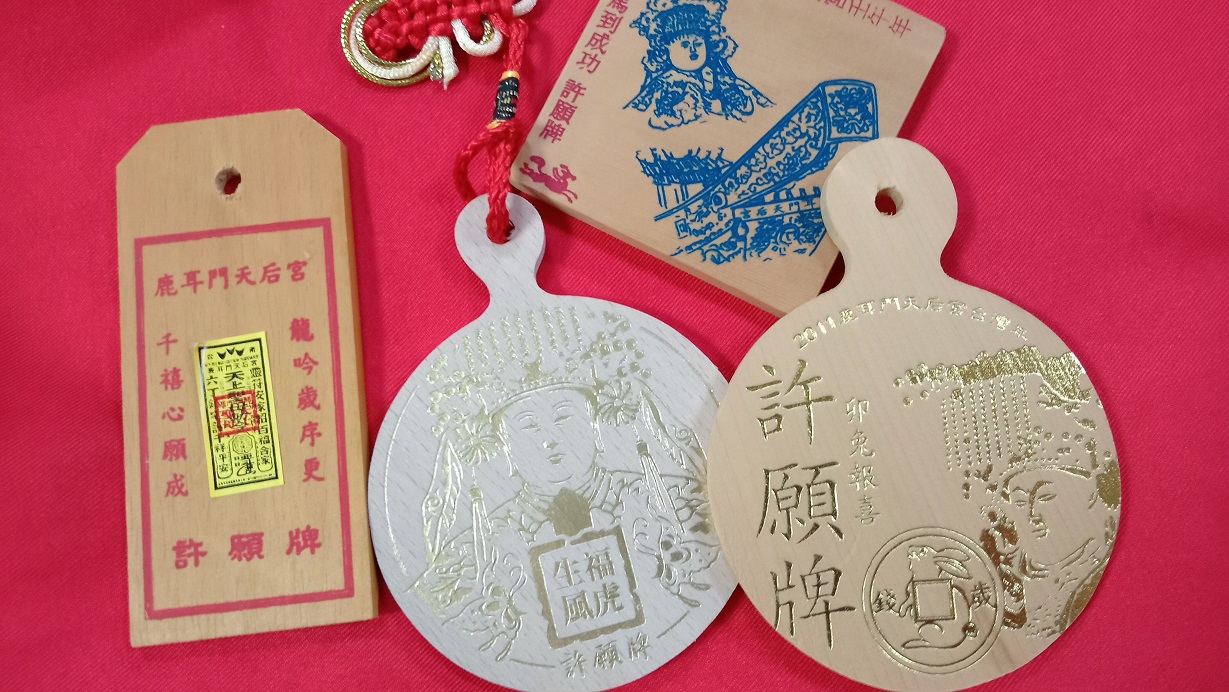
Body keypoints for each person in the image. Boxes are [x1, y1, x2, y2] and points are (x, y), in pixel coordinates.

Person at [626, 0, 772, 130]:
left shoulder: (725, 81)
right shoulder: (661, 86)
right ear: (667, 49)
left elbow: (759, 112)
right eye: (685, 45)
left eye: (698, 44)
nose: (693, 50)